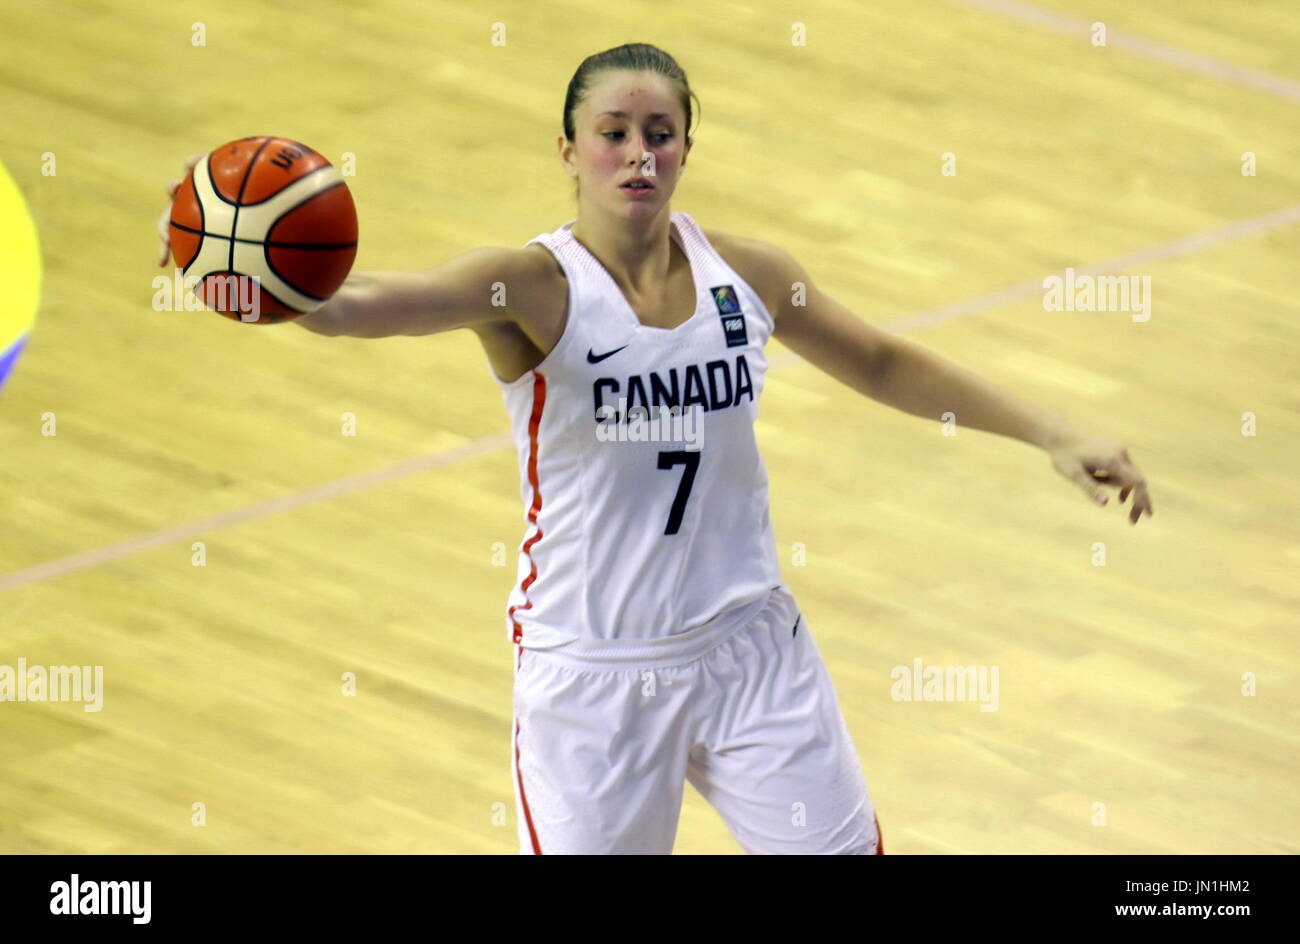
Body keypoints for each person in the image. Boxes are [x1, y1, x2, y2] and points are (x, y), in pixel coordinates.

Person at [156, 43, 1153, 855]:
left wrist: (1051, 432)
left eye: (660, 134)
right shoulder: (530, 286)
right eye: (613, 133)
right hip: (594, 666)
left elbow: (882, 361)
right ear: (568, 149)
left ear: (685, 149)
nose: (638, 153)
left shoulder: (747, 273)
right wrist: (237, 257)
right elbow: (359, 306)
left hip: (747, 644)